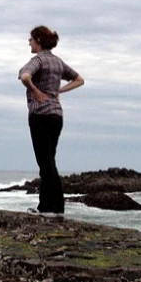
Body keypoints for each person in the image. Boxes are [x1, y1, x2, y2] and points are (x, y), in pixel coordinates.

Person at [19, 26, 84, 214]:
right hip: (56, 116)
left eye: (30, 39)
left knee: (45, 162)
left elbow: (25, 76)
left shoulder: (38, 60)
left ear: (38, 40)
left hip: (40, 115)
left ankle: (55, 207)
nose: (29, 42)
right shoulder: (58, 62)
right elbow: (79, 79)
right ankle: (46, 206)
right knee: (48, 161)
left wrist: (35, 90)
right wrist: (58, 91)